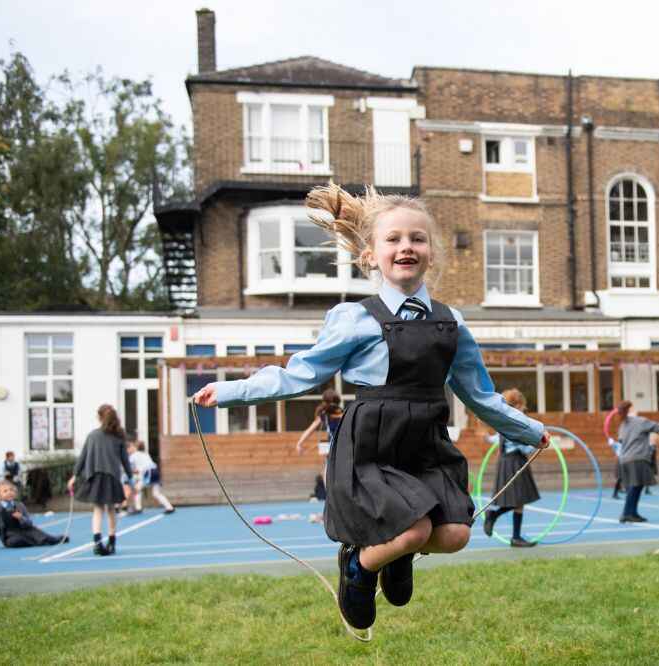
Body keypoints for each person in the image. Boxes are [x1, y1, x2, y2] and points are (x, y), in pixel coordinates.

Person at [192, 184, 549, 631]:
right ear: (370, 256)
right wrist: (229, 391)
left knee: (455, 534)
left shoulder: (452, 322)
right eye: (393, 239)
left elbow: (479, 394)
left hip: (425, 444)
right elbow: (299, 374)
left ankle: (396, 554)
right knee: (415, 529)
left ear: (431, 254)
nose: (406, 247)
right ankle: (359, 569)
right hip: (372, 446)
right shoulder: (355, 318)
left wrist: (527, 430)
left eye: (417, 239)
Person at [67, 405, 133, 556]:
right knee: (111, 510)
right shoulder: (119, 436)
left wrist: (74, 476)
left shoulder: (92, 435)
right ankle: (112, 542)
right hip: (112, 477)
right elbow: (125, 460)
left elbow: (83, 457)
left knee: (98, 510)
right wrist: (130, 478)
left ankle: (97, 544)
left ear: (99, 417)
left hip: (95, 476)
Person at [482, 389, 541, 548]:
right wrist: (539, 445)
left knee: (519, 501)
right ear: (516, 405)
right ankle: (494, 514)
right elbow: (525, 448)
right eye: (523, 406)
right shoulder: (515, 424)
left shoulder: (505, 423)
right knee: (518, 500)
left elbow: (496, 439)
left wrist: (487, 437)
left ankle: (515, 537)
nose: (524, 410)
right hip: (514, 463)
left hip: (508, 463)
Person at [611, 400, 659, 524]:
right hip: (637, 459)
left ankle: (633, 513)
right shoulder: (641, 421)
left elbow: (621, 441)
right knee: (635, 486)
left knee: (637, 486)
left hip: (625, 459)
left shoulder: (622, 425)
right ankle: (626, 513)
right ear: (631, 410)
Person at [295, 387, 344, 497]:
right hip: (334, 449)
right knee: (327, 474)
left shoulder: (343, 414)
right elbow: (310, 430)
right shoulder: (325, 416)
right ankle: (332, 501)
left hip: (341, 448)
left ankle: (334, 501)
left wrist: (300, 443)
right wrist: (300, 442)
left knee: (329, 474)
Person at [0, 480, 67, 548]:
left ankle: (51, 539)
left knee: (36, 533)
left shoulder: (19, 505)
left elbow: (29, 523)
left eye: (11, 490)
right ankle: (36, 541)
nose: (9, 492)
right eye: (5, 491)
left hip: (24, 529)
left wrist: (21, 517)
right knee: (16, 541)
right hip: (9, 534)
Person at [127, 441, 175, 515]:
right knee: (156, 493)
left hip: (149, 473)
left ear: (135, 448)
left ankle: (138, 508)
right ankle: (169, 507)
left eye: (130, 448)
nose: (129, 449)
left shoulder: (133, 456)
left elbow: (129, 467)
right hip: (155, 471)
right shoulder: (145, 454)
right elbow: (140, 468)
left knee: (137, 489)